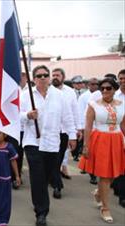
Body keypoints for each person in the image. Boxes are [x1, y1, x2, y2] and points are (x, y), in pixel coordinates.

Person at [21, 65, 76, 226]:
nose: (43, 78)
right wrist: (27, 115)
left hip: (53, 143)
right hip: (33, 143)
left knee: (47, 176)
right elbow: (15, 116)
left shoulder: (59, 96)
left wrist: (72, 136)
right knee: (37, 178)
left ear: (50, 77)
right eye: (39, 75)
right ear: (34, 78)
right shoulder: (26, 96)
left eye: (46, 75)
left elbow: (67, 117)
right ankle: (41, 212)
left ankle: (41, 200)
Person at [78, 77, 125, 223]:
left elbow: (123, 124)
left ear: (114, 89)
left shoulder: (122, 104)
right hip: (100, 140)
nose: (105, 90)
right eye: (102, 88)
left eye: (108, 88)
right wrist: (86, 145)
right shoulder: (93, 105)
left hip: (117, 139)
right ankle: (105, 208)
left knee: (113, 173)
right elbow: (88, 126)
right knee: (104, 175)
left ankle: (99, 193)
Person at [50, 68, 79, 199]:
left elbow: (74, 112)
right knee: (51, 159)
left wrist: (76, 130)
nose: (55, 77)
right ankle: (57, 185)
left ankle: (55, 182)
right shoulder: (48, 91)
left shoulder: (70, 92)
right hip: (50, 131)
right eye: (53, 75)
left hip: (64, 131)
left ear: (63, 77)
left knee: (59, 158)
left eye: (57, 75)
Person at [112, 69, 125, 208]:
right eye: (120, 78)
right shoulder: (114, 96)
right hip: (118, 134)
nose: (122, 81)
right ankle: (122, 195)